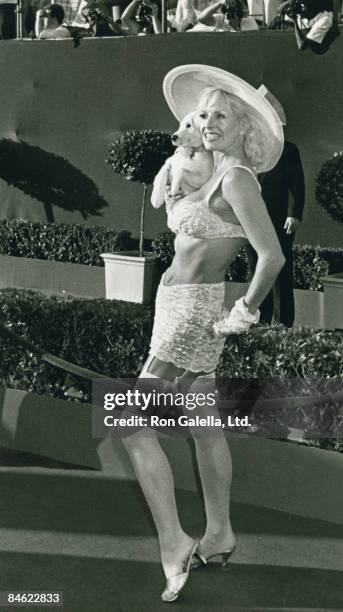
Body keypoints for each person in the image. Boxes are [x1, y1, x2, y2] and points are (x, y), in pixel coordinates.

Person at [118, 64, 285, 603]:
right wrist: (174, 166)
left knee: (128, 423)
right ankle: (219, 533)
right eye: (205, 113)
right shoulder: (206, 168)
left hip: (193, 315)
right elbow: (163, 206)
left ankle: (174, 541)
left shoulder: (236, 179)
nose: (209, 123)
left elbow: (271, 257)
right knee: (203, 424)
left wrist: (244, 312)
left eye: (222, 116)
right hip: (174, 305)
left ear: (244, 128)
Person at [253, 135, 305, 327]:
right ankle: (259, 321)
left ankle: (283, 325)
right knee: (255, 271)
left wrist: (294, 214)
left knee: (281, 273)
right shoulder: (250, 147)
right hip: (253, 219)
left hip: (280, 220)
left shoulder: (289, 150)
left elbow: (297, 184)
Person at [189, 0, 258, 31]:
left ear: (239, 15)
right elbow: (201, 19)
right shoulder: (222, 19)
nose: (228, 14)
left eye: (232, 12)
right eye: (226, 11)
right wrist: (220, 4)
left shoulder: (248, 21)